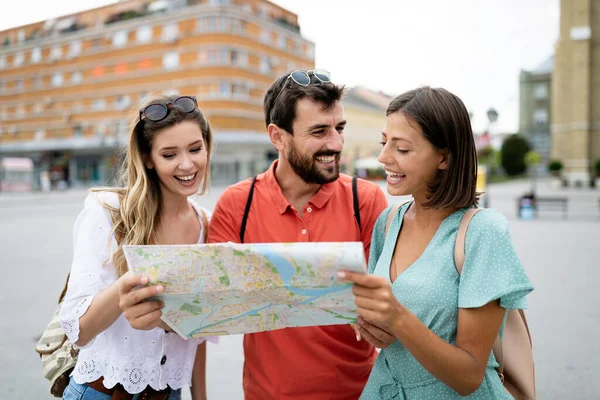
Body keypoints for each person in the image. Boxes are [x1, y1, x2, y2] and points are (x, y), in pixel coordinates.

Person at [120, 70, 389, 399]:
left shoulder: (367, 200)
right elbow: (205, 303)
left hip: (359, 393)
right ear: (278, 137)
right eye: (319, 131)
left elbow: (389, 306)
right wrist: (153, 315)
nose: (335, 143)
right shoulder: (238, 204)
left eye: (339, 128)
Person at [339, 87, 534, 399]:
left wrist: (396, 316)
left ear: (443, 158)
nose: (383, 157)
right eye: (384, 142)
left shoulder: (483, 232)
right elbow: (392, 337)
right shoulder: (388, 222)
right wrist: (369, 324)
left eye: (401, 149)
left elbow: (469, 376)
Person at [59, 95, 215, 400]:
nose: (187, 164)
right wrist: (125, 290)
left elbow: (199, 335)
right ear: (147, 158)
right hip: (101, 393)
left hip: (171, 394)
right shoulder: (108, 210)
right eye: (169, 154)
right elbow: (78, 330)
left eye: (195, 149)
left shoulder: (207, 224)